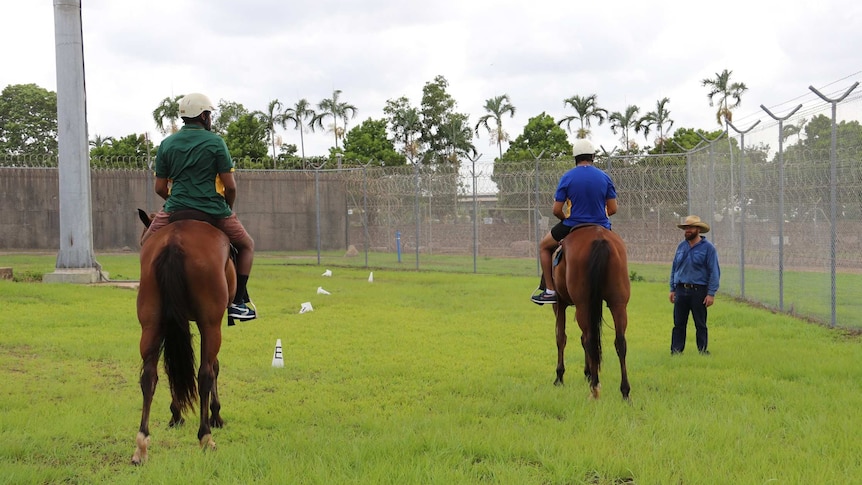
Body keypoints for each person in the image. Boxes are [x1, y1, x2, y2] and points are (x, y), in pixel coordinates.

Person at [141, 92, 257, 321]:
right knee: (247, 246)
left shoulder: (167, 144)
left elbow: (159, 188)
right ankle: (239, 302)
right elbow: (230, 186)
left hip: (175, 207)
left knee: (147, 245)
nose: (210, 118)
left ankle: (150, 292)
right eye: (209, 114)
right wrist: (227, 206)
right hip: (213, 209)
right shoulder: (215, 143)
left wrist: (174, 199)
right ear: (203, 116)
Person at [531, 139, 617, 304]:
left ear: (575, 157)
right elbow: (613, 209)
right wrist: (599, 216)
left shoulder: (568, 177)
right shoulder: (605, 177)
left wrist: (566, 220)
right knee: (616, 250)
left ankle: (550, 290)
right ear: (593, 156)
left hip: (572, 224)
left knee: (544, 246)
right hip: (602, 225)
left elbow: (556, 210)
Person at [669, 215, 720, 354]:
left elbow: (714, 272)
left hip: (699, 291)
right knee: (679, 324)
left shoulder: (708, 249)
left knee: (700, 324)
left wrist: (711, 294)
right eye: (686, 228)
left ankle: (702, 350)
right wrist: (672, 289)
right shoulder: (681, 246)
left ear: (698, 229)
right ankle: (676, 351)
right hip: (681, 290)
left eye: (690, 228)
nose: (687, 230)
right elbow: (675, 268)